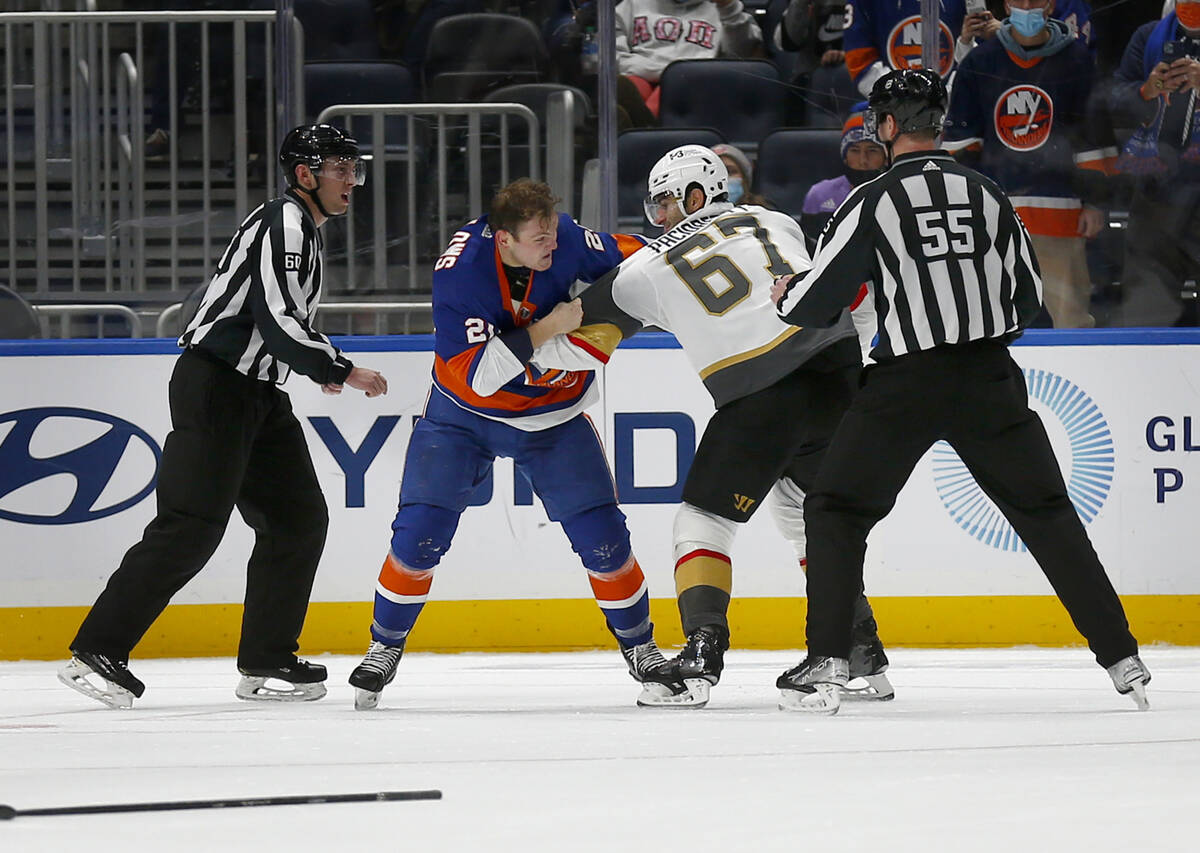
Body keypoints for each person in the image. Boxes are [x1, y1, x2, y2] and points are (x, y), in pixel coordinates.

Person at [770, 69, 1149, 715]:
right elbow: (1028, 298)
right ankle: (1123, 658)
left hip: (906, 384)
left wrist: (787, 293)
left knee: (834, 511)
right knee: (1049, 517)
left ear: (889, 126)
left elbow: (814, 302)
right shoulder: (989, 191)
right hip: (989, 378)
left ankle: (830, 664)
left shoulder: (871, 198)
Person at [529, 146, 894, 708]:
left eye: (664, 204)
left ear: (694, 196)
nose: (660, 218)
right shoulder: (776, 220)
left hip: (761, 393)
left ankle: (701, 654)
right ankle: (860, 651)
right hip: (840, 375)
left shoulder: (645, 267)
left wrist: (517, 346)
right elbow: (854, 292)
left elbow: (578, 345)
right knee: (809, 515)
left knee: (703, 522)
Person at [58, 124, 390, 709]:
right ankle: (98, 650)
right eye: (340, 169)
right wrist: (338, 369)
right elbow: (277, 317)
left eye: (353, 169)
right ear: (305, 175)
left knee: (297, 521)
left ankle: (266, 659)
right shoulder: (282, 222)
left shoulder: (302, 229)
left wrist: (319, 363)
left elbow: (285, 322)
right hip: (217, 385)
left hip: (257, 394)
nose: (351, 181)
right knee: (190, 524)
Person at [347, 179, 686, 710]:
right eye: (538, 238)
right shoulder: (461, 275)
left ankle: (642, 649)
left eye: (552, 232)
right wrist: (550, 326)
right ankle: (382, 648)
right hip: (462, 417)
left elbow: (640, 260)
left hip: (554, 417)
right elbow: (480, 377)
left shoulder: (565, 236)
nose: (552, 245)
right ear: (503, 239)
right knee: (418, 539)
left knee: (605, 542)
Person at [943, 0, 1116, 329]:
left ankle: (1081, 376)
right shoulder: (981, 60)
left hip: (1059, 211)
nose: (1026, 6)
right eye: (1018, 0)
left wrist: (1095, 201)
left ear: (1050, 5)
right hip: (993, 219)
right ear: (1006, 5)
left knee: (1071, 318)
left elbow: (1094, 138)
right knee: (986, 318)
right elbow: (962, 142)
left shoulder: (1077, 60)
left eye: (1035, 0)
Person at [1108, 2, 1200, 326]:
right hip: (1157, 195)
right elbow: (1115, 102)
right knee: (1146, 313)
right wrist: (1147, 90)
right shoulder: (1148, 37)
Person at [616, 0, 764, 118]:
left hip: (694, 83)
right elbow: (610, 55)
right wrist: (668, 72)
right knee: (626, 85)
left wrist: (728, 8)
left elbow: (740, 55)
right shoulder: (631, 5)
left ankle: (644, 132)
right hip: (641, 76)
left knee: (671, 91)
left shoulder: (726, 8)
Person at [842, 0, 973, 98]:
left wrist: (949, 98)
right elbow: (860, 61)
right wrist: (901, 99)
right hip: (892, 116)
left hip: (955, 117)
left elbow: (979, 58)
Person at [800, 107, 887, 248]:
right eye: (855, 151)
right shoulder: (819, 194)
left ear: (886, 157)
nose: (863, 160)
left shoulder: (895, 192)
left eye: (872, 150)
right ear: (845, 156)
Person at [712, 142, 772, 206]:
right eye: (713, 173)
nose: (723, 179)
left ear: (745, 179)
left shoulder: (761, 214)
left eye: (730, 172)